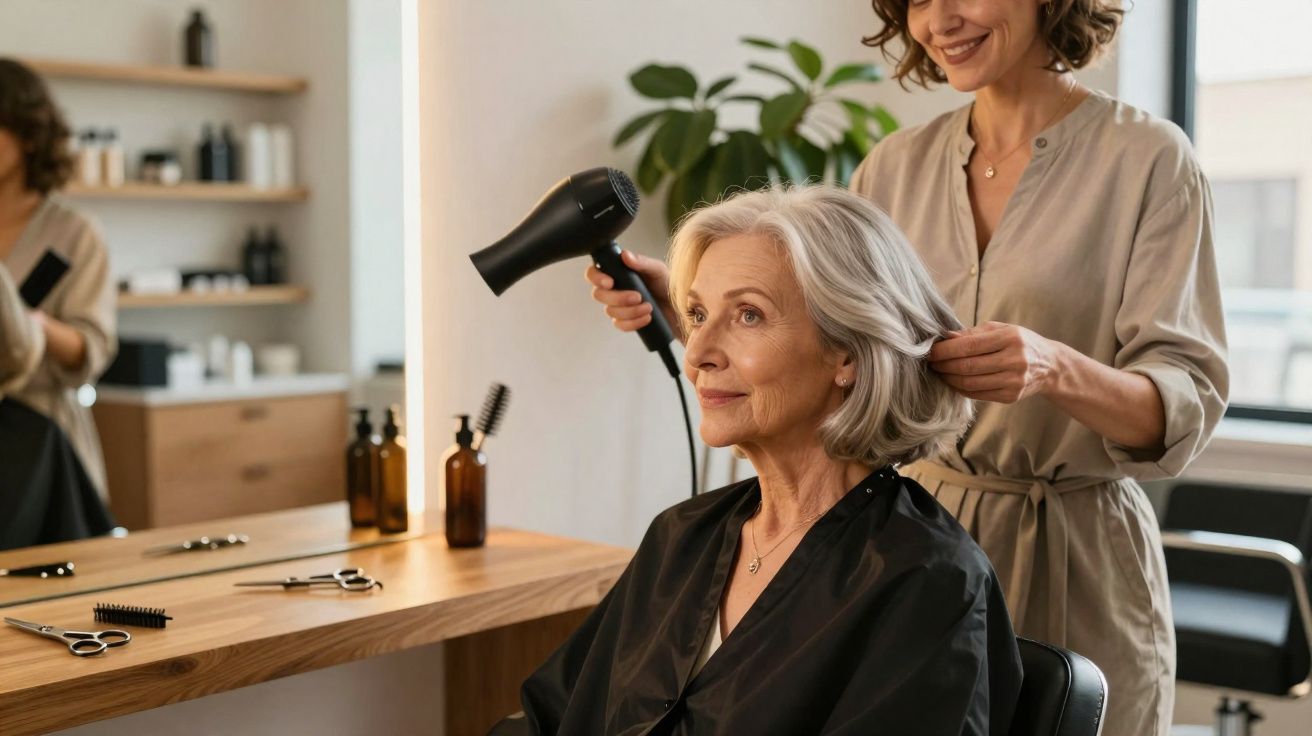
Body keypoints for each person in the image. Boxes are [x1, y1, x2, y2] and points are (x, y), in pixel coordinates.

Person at [588, 3, 1229, 734]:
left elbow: (1185, 408)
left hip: (1072, 547)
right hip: (900, 535)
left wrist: (1054, 368)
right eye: (917, 0)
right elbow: (840, 341)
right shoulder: (894, 166)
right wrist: (708, 313)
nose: (939, 19)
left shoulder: (1147, 159)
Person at [497, 186, 1022, 735]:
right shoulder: (681, 538)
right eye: (698, 313)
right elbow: (549, 719)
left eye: (749, 315)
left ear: (847, 351)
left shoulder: (924, 580)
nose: (697, 353)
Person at [0, 57, 117, 504]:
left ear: (29, 135)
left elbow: (92, 349)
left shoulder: (73, 233)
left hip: (39, 442)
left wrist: (28, 327)